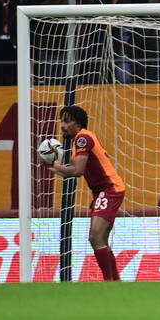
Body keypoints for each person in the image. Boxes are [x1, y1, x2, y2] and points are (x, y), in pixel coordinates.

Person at [46, 106, 126, 281]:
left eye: (67, 121)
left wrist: (56, 166)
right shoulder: (82, 137)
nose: (62, 126)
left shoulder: (82, 138)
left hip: (109, 189)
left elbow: (78, 170)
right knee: (101, 238)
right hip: (104, 191)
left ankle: (109, 283)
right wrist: (57, 168)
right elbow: (76, 169)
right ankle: (115, 282)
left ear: (78, 123)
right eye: (61, 121)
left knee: (95, 236)